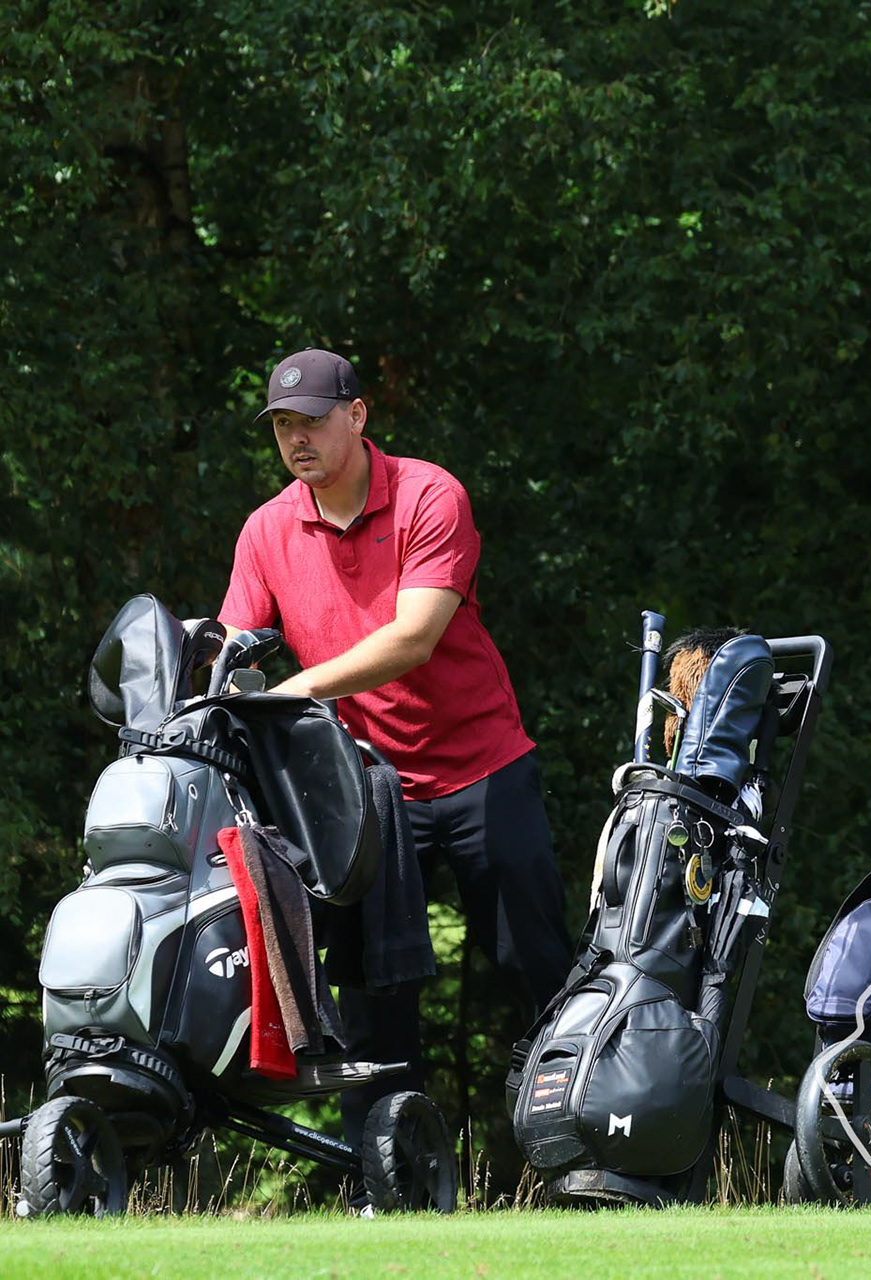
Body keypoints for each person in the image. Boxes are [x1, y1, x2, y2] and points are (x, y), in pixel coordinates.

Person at [219, 348, 573, 1154]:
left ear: (358, 414)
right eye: (281, 426)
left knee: (537, 969)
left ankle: (588, 1155)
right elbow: (233, 647)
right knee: (376, 992)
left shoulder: (428, 495)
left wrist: (292, 690)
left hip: (483, 769)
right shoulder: (267, 529)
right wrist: (206, 674)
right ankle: (387, 1178)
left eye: (310, 420)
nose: (296, 439)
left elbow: (413, 639)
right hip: (366, 791)